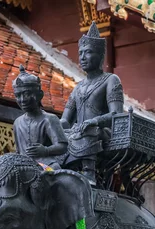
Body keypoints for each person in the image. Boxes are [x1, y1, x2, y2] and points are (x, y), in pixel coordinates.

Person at [61, 22, 124, 184]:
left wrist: (94, 121)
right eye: (80, 53)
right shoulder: (78, 87)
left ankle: (89, 172)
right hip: (79, 132)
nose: (82, 57)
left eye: (88, 52)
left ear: (100, 55)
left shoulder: (110, 80)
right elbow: (66, 120)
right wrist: (52, 124)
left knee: (90, 130)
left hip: (102, 132)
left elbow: (116, 114)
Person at [12, 66, 68, 169]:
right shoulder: (17, 122)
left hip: (46, 164)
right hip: (23, 166)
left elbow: (62, 146)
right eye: (18, 95)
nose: (22, 100)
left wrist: (45, 150)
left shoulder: (49, 119)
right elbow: (18, 151)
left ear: (40, 95)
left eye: (27, 94)